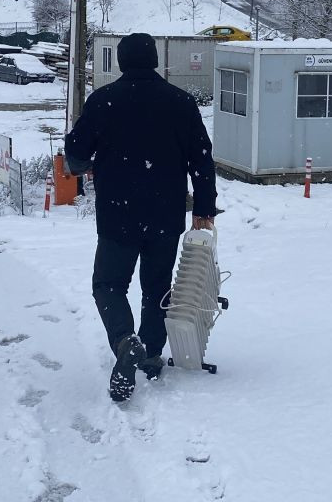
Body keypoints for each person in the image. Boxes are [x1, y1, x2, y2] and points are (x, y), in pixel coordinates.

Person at [64, 32, 218, 402]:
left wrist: (87, 163)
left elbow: (76, 151)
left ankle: (123, 340)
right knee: (157, 289)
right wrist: (203, 208)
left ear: (121, 62)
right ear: (153, 60)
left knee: (109, 285)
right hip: (164, 213)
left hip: (117, 215)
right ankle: (148, 353)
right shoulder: (179, 101)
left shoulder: (104, 100)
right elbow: (201, 158)